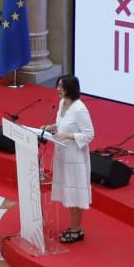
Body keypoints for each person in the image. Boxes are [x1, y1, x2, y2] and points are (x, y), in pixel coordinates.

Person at [45, 74, 95, 243]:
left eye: (61, 87)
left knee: (75, 191)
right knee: (68, 191)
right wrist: (50, 127)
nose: (57, 89)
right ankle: (74, 226)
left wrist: (67, 135)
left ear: (70, 89)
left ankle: (76, 230)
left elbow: (89, 135)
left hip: (75, 157)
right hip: (62, 154)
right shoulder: (62, 103)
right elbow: (61, 124)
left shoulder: (80, 109)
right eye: (58, 85)